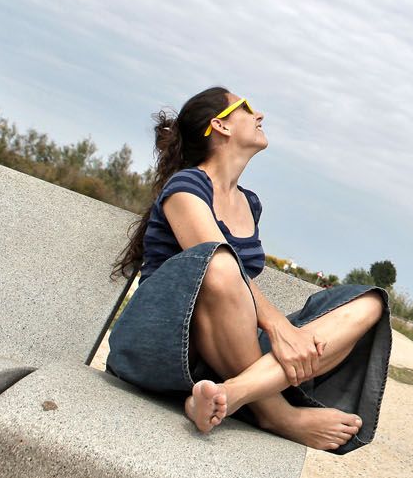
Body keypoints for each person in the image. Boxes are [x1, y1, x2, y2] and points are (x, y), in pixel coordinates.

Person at [107, 86, 390, 453]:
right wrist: (278, 328)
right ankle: (277, 414)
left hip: (221, 355)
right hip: (161, 344)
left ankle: (232, 394)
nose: (259, 115)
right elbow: (216, 263)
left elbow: (239, 293)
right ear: (220, 126)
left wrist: (291, 335)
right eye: (247, 108)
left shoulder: (250, 203)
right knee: (219, 263)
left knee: (369, 303)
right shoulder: (186, 187)